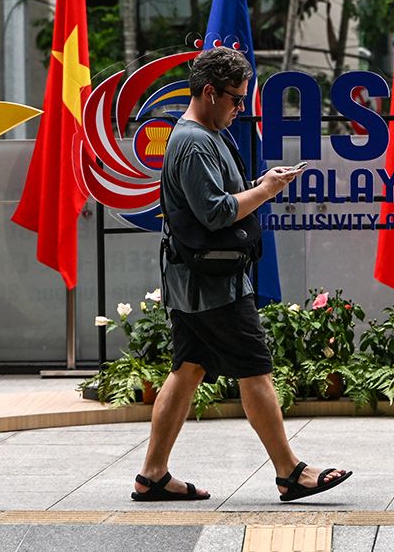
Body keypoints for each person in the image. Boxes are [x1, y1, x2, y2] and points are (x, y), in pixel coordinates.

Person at [132, 46, 352, 503]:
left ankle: (152, 475)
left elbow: (221, 199)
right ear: (209, 92)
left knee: (187, 370)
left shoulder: (204, 136)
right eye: (235, 99)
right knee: (256, 370)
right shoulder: (193, 141)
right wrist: (266, 190)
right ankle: (290, 472)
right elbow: (215, 213)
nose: (240, 108)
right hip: (213, 285)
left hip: (196, 283)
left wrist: (260, 183)